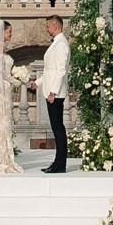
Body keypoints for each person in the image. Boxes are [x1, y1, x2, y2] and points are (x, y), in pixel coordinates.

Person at [40, 15, 70, 173]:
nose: (46, 29)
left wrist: (53, 91)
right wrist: (37, 82)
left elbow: (60, 70)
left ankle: (60, 164)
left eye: (47, 26)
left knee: (58, 128)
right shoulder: (57, 43)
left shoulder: (61, 45)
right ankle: (57, 162)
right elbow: (49, 69)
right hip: (52, 91)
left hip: (55, 93)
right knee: (56, 127)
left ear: (55, 27)